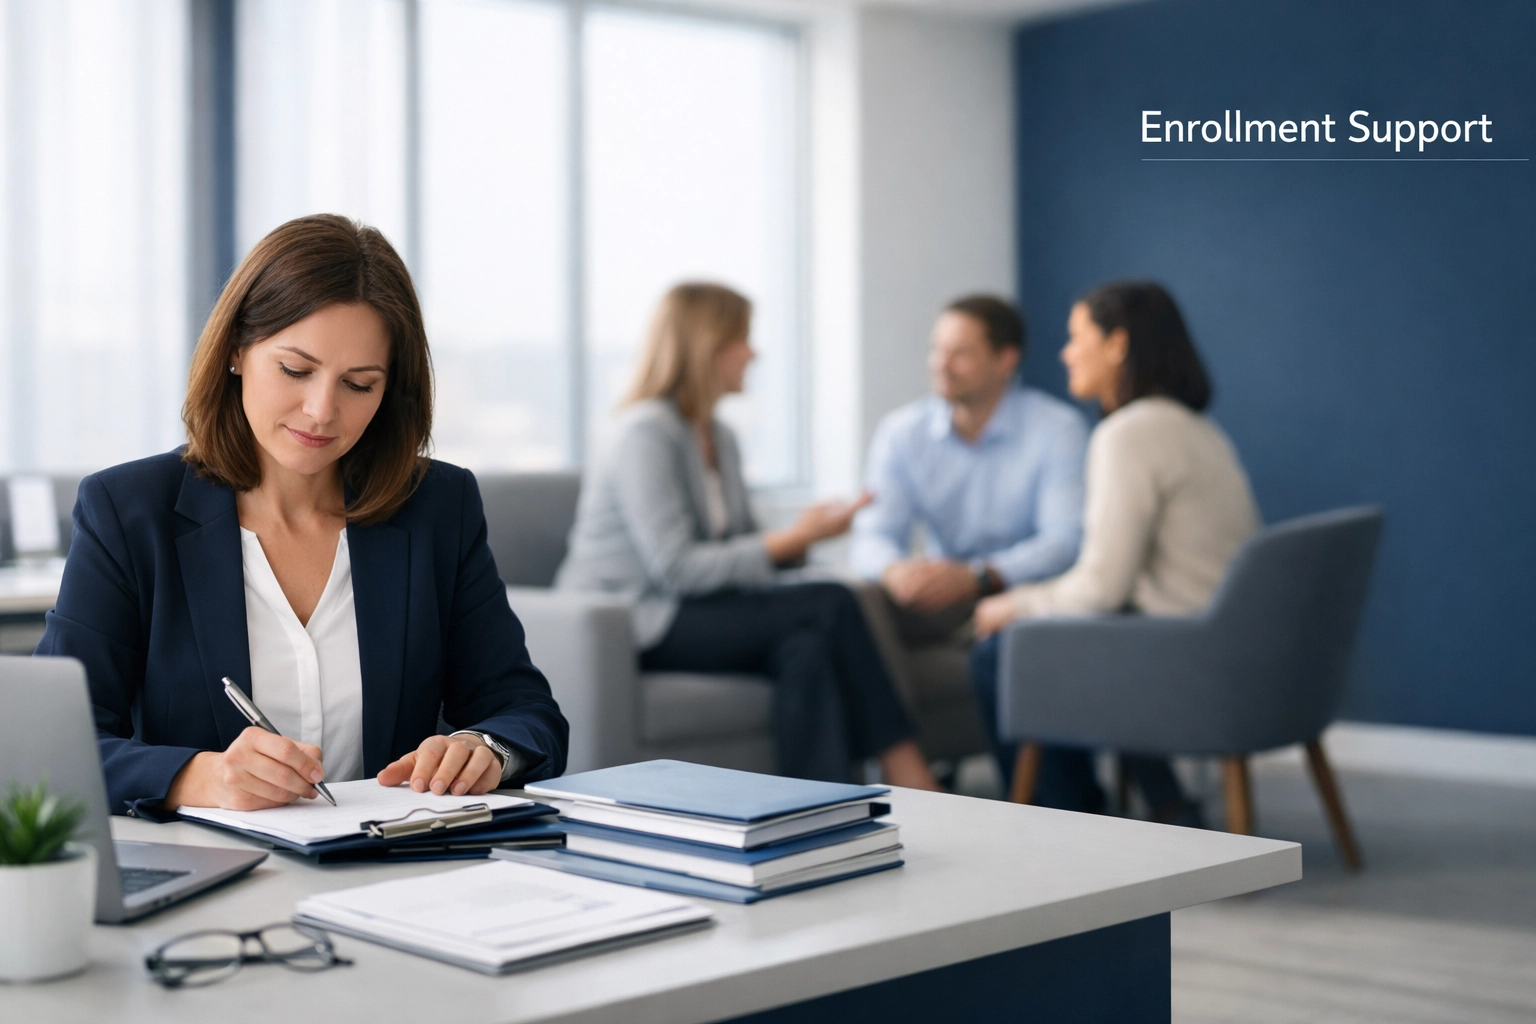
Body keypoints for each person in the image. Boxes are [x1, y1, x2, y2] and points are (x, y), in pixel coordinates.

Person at [37, 214, 568, 817]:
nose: (321, 411)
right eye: (295, 370)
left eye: (359, 385)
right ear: (237, 350)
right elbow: (51, 745)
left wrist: (487, 747)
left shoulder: (438, 508)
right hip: (208, 875)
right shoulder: (128, 510)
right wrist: (195, 778)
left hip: (397, 876)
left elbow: (528, 714)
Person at [555, 282, 939, 789]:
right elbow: (678, 569)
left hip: (697, 609)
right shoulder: (644, 433)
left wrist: (807, 536)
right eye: (744, 338)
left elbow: (744, 547)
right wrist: (790, 540)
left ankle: (819, 805)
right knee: (831, 601)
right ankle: (904, 767)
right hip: (638, 617)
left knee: (807, 647)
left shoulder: (721, 436)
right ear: (708, 346)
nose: (753, 352)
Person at [970, 281, 1260, 825]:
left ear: (1117, 345)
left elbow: (1103, 586)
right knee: (1084, 633)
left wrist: (1013, 605)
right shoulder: (1196, 428)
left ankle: (1066, 817)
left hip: (1182, 656)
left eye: (1077, 336)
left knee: (999, 651)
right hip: (1224, 648)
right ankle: (1168, 805)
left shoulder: (1128, 434)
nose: (1065, 352)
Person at [848, 295, 1088, 722]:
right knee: (851, 606)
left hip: (1021, 590)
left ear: (1005, 360)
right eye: (937, 349)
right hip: (940, 596)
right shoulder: (903, 433)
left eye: (959, 353)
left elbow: (1064, 542)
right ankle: (903, 758)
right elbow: (872, 535)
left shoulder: (1057, 429)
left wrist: (980, 575)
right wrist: (896, 572)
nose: (941, 363)